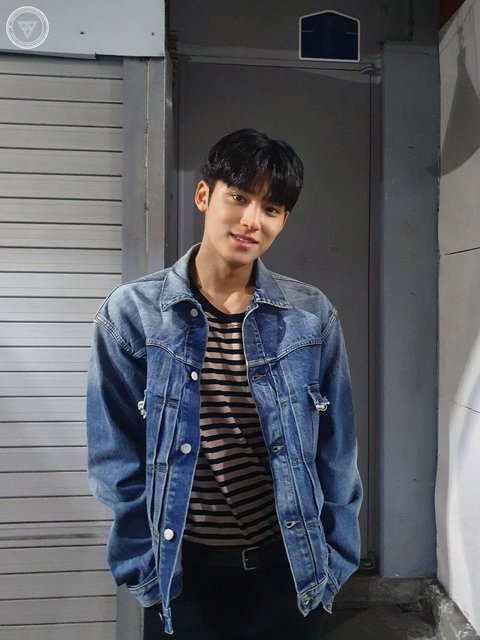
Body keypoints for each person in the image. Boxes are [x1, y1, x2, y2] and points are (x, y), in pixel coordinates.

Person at [87, 128, 362, 639]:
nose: (252, 220)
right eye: (238, 197)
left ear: (283, 220)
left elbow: (337, 452)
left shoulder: (310, 317)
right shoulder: (133, 314)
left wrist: (337, 559)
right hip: (181, 575)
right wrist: (144, 570)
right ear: (203, 195)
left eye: (271, 208)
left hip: (289, 569)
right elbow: (115, 458)